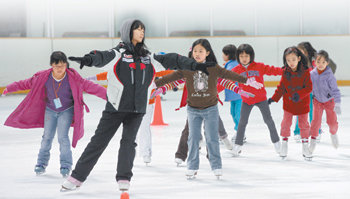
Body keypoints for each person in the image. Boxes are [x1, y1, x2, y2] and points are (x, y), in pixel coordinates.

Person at [61, 19, 215, 192]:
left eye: (143, 29)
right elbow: (102, 56)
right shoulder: (118, 52)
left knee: (129, 143)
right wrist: (89, 59)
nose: (141, 32)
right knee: (98, 142)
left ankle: (124, 177)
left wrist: (195, 65)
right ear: (128, 31)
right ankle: (76, 177)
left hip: (138, 108)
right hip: (116, 107)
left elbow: (172, 59)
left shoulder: (148, 56)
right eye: (137, 29)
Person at [2, 51, 107, 177]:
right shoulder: (43, 77)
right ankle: (41, 164)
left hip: (66, 111)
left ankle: (66, 165)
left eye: (62, 66)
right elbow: (25, 83)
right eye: (57, 66)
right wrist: (9, 88)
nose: (60, 69)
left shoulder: (73, 77)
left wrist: (109, 96)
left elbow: (91, 86)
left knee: (63, 138)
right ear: (52, 65)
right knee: (47, 137)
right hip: (50, 111)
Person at [155, 39, 248, 179]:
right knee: (192, 139)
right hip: (193, 110)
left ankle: (216, 166)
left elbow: (228, 76)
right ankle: (192, 167)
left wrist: (245, 81)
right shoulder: (186, 68)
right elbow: (173, 77)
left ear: (207, 53)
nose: (197, 54)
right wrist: (156, 85)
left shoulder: (213, 68)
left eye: (201, 51)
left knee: (212, 139)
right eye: (195, 51)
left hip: (210, 109)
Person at [230, 44, 282, 157]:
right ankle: (238, 146)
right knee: (242, 123)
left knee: (268, 120)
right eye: (241, 56)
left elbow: (272, 70)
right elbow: (225, 79)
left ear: (251, 56)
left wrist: (285, 71)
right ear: (238, 57)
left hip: (261, 99)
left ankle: (277, 142)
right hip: (247, 100)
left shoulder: (259, 66)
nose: (244, 58)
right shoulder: (236, 70)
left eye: (246, 56)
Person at [268, 47, 313, 160]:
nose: (291, 62)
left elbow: (309, 88)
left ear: (298, 58)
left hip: (302, 103)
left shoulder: (306, 71)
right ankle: (284, 144)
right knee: (285, 124)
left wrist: (300, 94)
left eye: (293, 59)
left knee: (303, 124)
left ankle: (305, 145)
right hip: (289, 104)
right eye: (288, 60)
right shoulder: (285, 72)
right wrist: (274, 98)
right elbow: (281, 87)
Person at [309, 50, 341, 154]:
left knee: (332, 123)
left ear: (327, 63)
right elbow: (307, 87)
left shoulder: (329, 75)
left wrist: (337, 103)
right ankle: (313, 140)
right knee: (315, 123)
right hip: (317, 101)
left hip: (329, 101)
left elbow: (335, 89)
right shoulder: (312, 74)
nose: (321, 64)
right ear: (315, 62)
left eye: (323, 62)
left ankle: (333, 133)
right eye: (318, 62)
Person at [221, 44, 245, 143]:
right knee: (233, 113)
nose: (222, 56)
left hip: (238, 95)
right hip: (234, 95)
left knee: (238, 114)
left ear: (227, 55)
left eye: (223, 54)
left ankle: (240, 134)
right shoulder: (230, 64)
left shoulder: (233, 65)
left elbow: (228, 76)